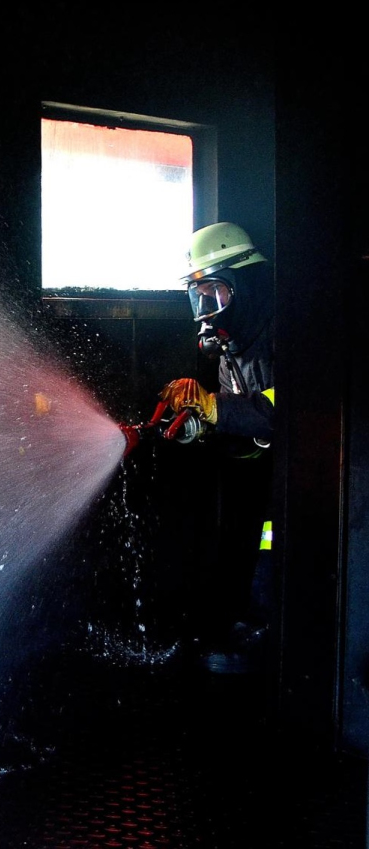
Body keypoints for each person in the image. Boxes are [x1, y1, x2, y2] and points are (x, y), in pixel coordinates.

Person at [158, 221, 275, 674]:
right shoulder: (234, 350)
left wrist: (216, 406)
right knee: (246, 545)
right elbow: (248, 438)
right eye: (199, 297)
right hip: (266, 478)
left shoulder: (291, 325)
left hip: (319, 487)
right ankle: (252, 630)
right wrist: (202, 425)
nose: (206, 311)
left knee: (275, 553)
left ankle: (273, 646)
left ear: (246, 283)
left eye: (215, 294)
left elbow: (293, 409)